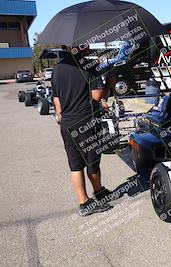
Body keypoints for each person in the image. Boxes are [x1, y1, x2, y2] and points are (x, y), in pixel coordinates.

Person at [52, 46, 114, 216]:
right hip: (86, 122)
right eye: (84, 44)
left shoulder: (57, 69)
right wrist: (108, 84)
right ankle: (96, 194)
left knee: (75, 164)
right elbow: (96, 96)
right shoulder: (88, 66)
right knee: (92, 162)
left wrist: (61, 117)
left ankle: (85, 201)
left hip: (67, 124)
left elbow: (56, 99)